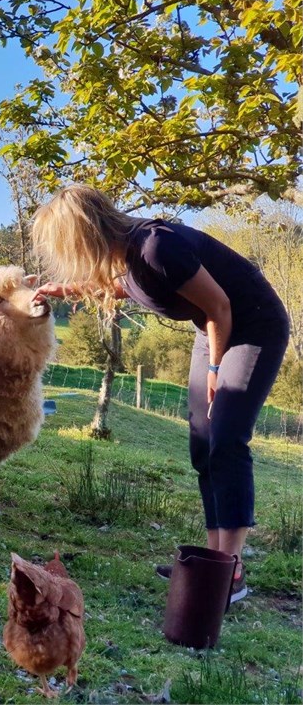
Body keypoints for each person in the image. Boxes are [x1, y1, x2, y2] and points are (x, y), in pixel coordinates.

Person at [31, 184, 289, 603]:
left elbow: (221, 306)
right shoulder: (128, 258)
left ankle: (232, 570)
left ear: (84, 231)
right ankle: (212, 559)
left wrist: (216, 367)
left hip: (252, 325)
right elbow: (124, 287)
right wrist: (61, 289)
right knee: (202, 443)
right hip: (214, 329)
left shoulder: (155, 246)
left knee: (225, 436)